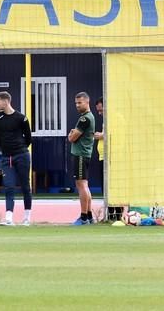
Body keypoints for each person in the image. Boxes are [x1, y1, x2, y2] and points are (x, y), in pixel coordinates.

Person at [0, 91, 33, 226]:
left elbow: (28, 138)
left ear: (6, 101)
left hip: (22, 155)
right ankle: (9, 218)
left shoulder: (21, 118)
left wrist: (19, 149)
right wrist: (7, 150)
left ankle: (27, 218)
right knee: (9, 187)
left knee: (25, 186)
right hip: (6, 158)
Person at [68, 92, 96, 226]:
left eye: (80, 103)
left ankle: (83, 217)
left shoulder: (85, 119)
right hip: (85, 154)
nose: (77, 105)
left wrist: (71, 134)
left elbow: (72, 138)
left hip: (80, 154)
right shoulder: (88, 117)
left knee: (81, 185)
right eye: (76, 103)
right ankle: (89, 216)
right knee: (85, 185)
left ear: (87, 102)